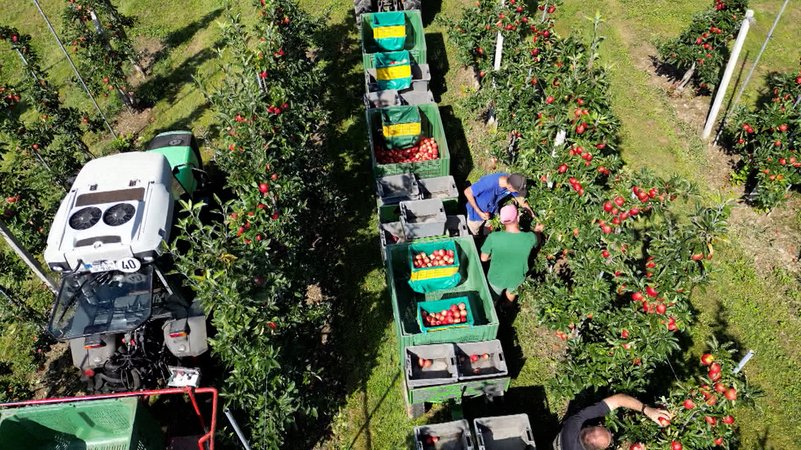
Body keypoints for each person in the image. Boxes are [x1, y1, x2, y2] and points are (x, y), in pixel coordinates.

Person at [553, 393, 672, 450]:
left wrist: (647, 410)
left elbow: (618, 400)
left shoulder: (573, 423)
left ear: (587, 427)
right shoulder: (576, 422)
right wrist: (646, 410)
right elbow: (618, 400)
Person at [480, 205, 542, 303]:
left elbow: (483, 258)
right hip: (516, 277)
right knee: (511, 292)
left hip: (496, 277)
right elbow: (537, 239)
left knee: (493, 298)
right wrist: (537, 230)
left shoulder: (493, 237)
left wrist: (494, 256)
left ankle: (494, 306)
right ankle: (506, 307)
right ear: (517, 218)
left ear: (502, 221)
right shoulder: (530, 238)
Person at [464, 172, 534, 235]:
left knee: (488, 228)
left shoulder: (512, 182)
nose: (517, 192)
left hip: (492, 210)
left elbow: (520, 199)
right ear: (510, 186)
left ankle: (485, 235)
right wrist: (479, 212)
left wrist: (530, 212)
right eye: (516, 191)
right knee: (475, 230)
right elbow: (467, 192)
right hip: (476, 213)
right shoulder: (490, 183)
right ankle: (476, 238)